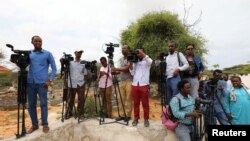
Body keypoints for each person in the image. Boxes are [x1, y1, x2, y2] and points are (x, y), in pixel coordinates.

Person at [26, 35, 57, 134]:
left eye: (40, 41)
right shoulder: (29, 54)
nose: (38, 43)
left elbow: (54, 69)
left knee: (43, 104)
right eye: (36, 41)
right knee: (31, 105)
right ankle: (35, 125)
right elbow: (24, 65)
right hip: (30, 83)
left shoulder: (48, 54)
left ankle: (45, 124)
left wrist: (49, 80)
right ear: (32, 42)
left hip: (42, 84)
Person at [129, 47, 152, 127]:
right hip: (135, 85)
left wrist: (142, 53)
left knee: (145, 104)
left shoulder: (147, 60)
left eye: (139, 52)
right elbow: (132, 73)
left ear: (143, 52)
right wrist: (131, 65)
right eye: (137, 52)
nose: (138, 54)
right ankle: (136, 118)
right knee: (136, 103)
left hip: (144, 85)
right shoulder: (135, 62)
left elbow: (150, 62)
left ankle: (146, 119)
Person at [64, 49, 88, 119]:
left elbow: (85, 73)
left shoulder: (83, 63)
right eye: (78, 52)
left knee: (81, 99)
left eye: (81, 53)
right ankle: (69, 113)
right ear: (75, 53)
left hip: (81, 83)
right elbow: (63, 64)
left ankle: (80, 114)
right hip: (72, 83)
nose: (80, 54)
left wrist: (85, 82)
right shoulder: (70, 62)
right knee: (71, 99)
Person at [112, 45, 133, 121]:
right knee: (120, 99)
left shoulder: (130, 58)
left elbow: (127, 68)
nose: (123, 50)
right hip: (122, 81)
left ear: (128, 50)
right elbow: (121, 70)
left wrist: (117, 68)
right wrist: (115, 72)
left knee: (128, 99)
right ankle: (121, 115)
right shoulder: (121, 59)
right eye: (122, 48)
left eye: (125, 48)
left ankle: (128, 115)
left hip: (129, 81)